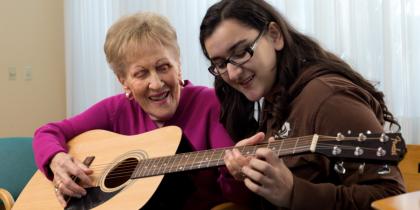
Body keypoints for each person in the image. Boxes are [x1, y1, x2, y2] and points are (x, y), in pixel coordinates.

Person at [199, 0, 406, 209]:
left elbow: (391, 197)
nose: (233, 74)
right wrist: (248, 176)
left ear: (274, 36)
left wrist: (293, 193)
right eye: (221, 64)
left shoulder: (329, 99)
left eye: (242, 52)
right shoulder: (274, 98)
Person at [33, 12, 251, 209]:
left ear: (178, 66)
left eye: (163, 67)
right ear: (124, 81)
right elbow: (47, 132)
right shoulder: (116, 110)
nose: (156, 83)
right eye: (141, 74)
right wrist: (57, 160)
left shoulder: (210, 103)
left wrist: (237, 175)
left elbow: (240, 198)